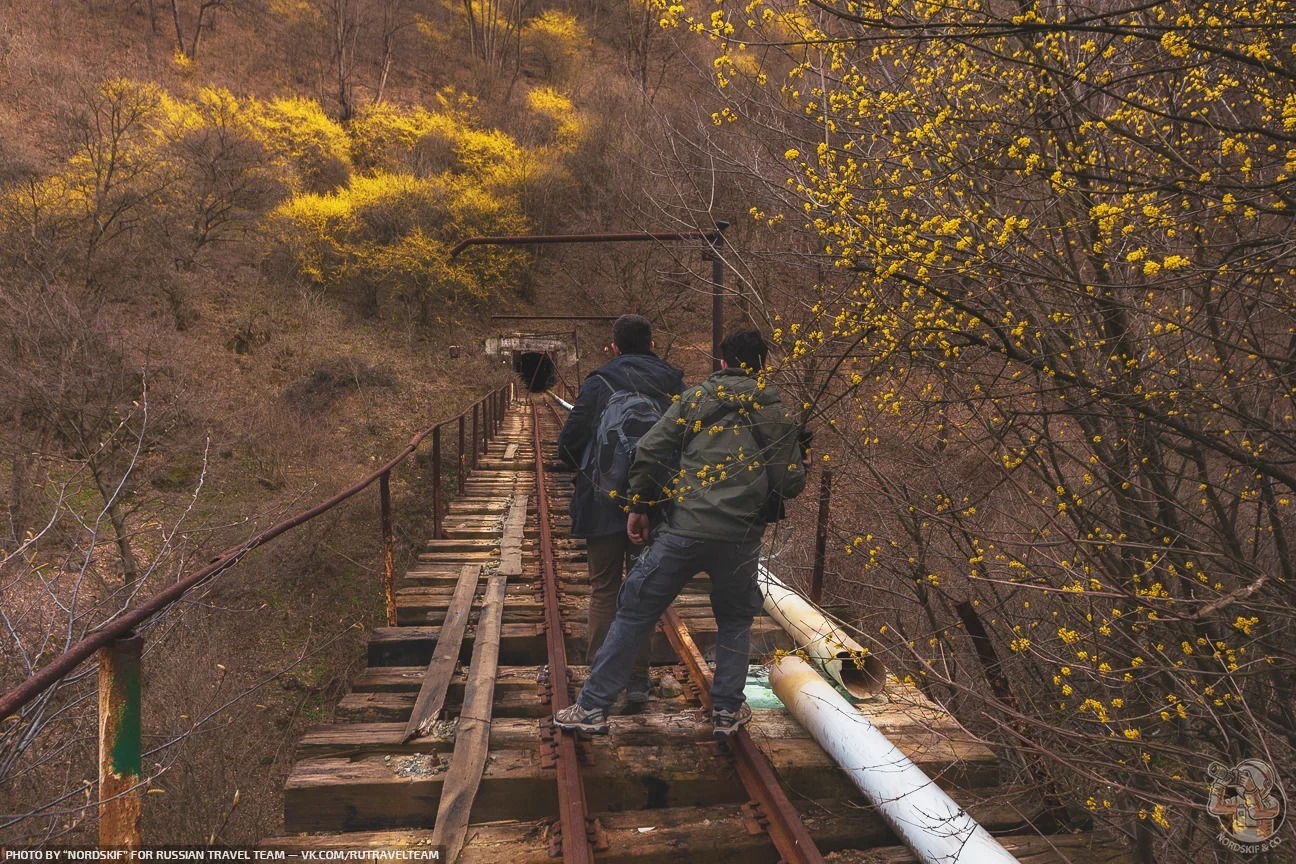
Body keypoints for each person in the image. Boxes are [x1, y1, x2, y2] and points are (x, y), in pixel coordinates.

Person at [554, 329, 809, 737]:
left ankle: (592, 708)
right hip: (740, 539)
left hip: (682, 532)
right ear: (764, 364)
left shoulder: (695, 400)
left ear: (722, 362)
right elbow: (790, 484)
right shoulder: (776, 413)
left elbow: (652, 449)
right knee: (735, 619)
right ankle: (726, 711)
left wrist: (639, 507)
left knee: (635, 609)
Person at [557, 314, 684, 704]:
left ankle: (602, 678)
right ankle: (637, 680)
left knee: (604, 590)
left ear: (614, 346)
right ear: (652, 343)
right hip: (656, 504)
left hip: (603, 504)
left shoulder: (600, 381)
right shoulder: (674, 383)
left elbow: (569, 443)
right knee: (643, 591)